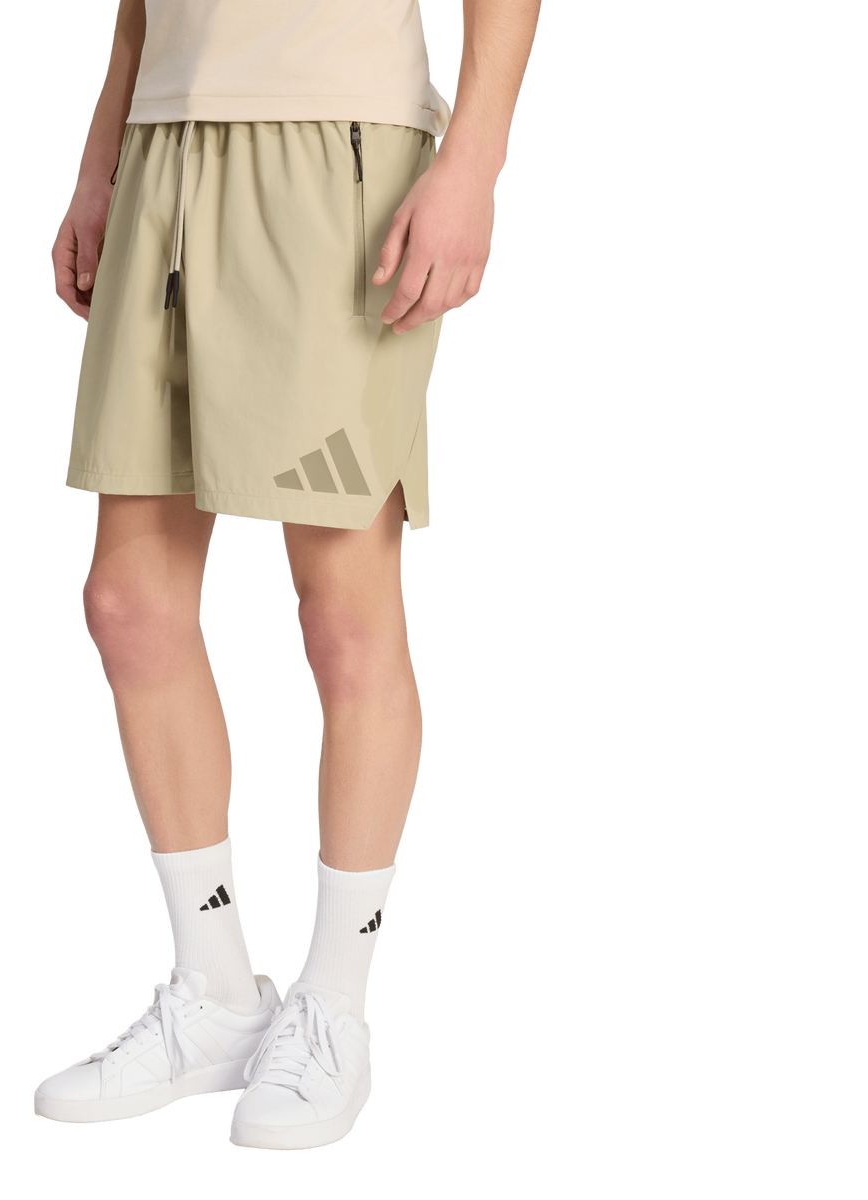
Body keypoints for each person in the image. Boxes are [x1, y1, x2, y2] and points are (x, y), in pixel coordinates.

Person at [36, 0, 543, 1152]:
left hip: (337, 146)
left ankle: (331, 1006)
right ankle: (215, 991)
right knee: (128, 603)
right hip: (165, 145)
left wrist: (473, 167)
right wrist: (101, 160)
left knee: (343, 611)